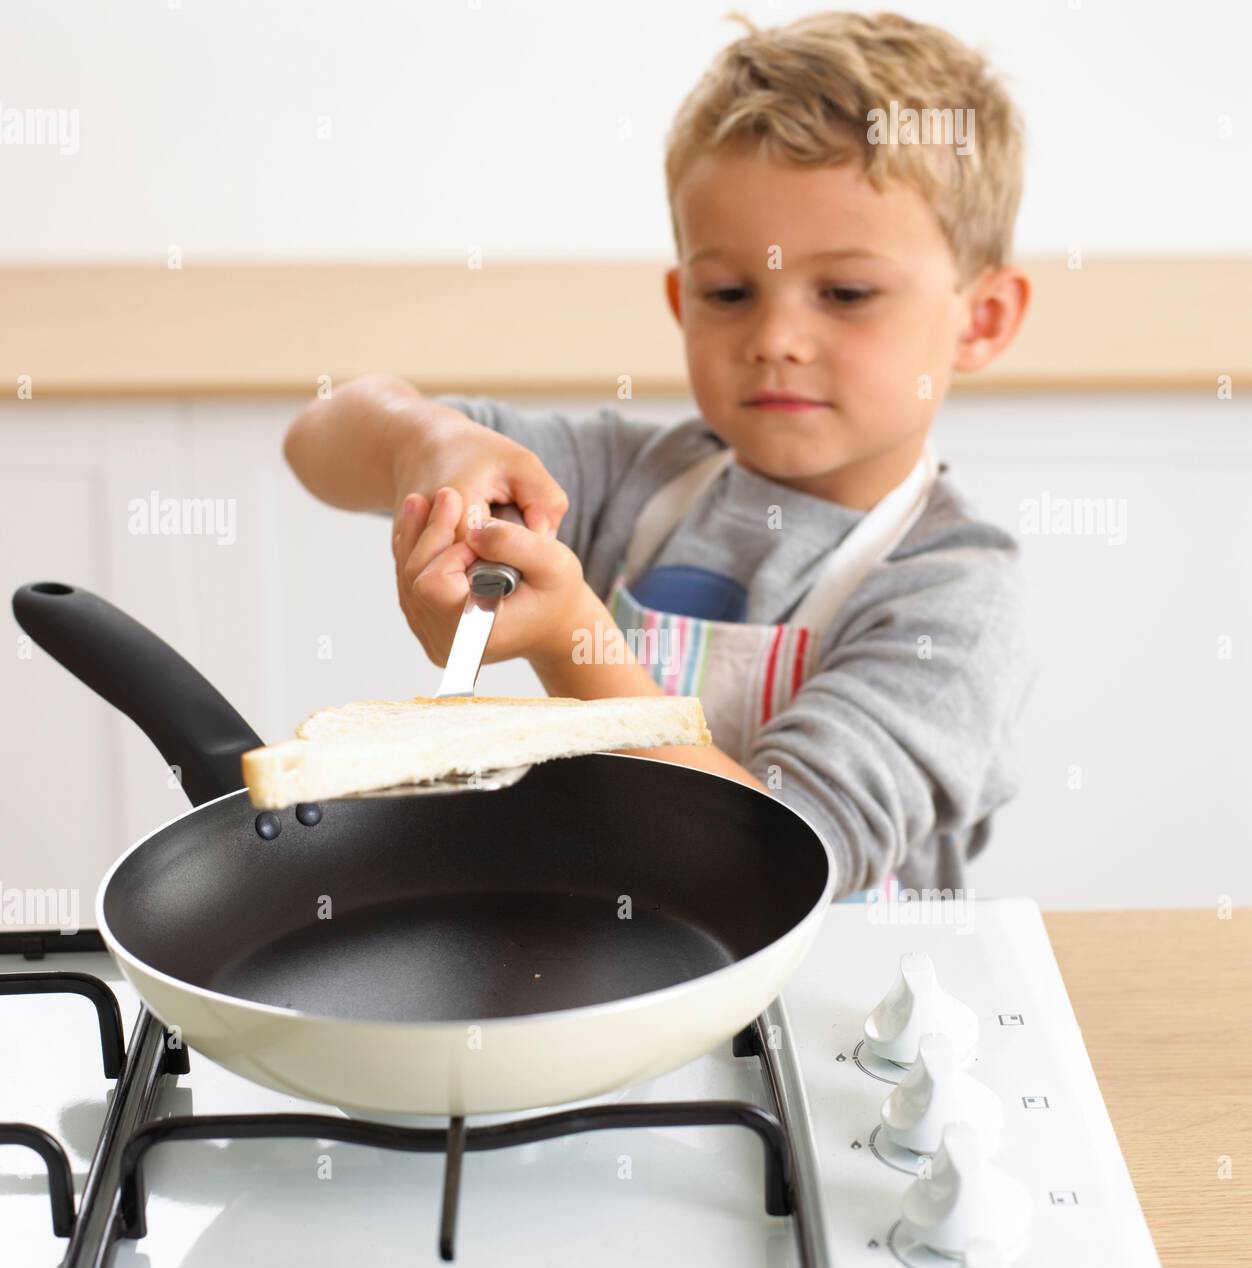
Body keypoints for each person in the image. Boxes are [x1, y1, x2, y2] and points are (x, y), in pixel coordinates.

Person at [284, 10, 1035, 904]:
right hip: (614, 953)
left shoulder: (952, 595)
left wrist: (572, 641)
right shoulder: (623, 479)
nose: (777, 337)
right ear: (683, 300)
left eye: (845, 292)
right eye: (730, 291)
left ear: (981, 319)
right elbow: (318, 441)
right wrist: (431, 445)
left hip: (839, 1009)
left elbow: (769, 868)